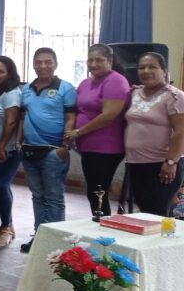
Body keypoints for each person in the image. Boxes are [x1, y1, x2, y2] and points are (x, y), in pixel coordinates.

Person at [18, 48, 76, 253]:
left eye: (48, 62)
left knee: (54, 197)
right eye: (39, 62)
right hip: (29, 151)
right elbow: (23, 117)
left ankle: (56, 242)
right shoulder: (26, 89)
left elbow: (71, 118)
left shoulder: (66, 88)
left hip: (53, 152)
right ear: (33, 64)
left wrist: (65, 146)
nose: (43, 66)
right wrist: (19, 142)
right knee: (37, 196)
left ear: (56, 64)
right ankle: (39, 237)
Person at [64, 44, 130, 216]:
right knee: (93, 191)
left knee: (98, 191)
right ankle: (100, 225)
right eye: (90, 60)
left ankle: (104, 231)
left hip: (107, 148)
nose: (93, 64)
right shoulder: (86, 83)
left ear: (110, 61)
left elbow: (109, 115)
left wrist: (79, 131)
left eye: (99, 60)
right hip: (88, 146)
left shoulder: (116, 80)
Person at [123, 52, 184, 216]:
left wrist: (171, 162)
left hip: (162, 165)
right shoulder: (134, 93)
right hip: (136, 163)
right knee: (145, 212)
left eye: (152, 67)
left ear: (164, 70)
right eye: (141, 67)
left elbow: (181, 131)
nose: (146, 71)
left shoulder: (174, 96)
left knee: (155, 215)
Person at [0, 56, 22, 248]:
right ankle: (6, 224)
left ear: (9, 73)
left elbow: (11, 121)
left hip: (7, 150)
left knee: (1, 185)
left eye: (0, 71)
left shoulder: (12, 94)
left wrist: (1, 145)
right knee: (1, 186)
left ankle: (7, 227)